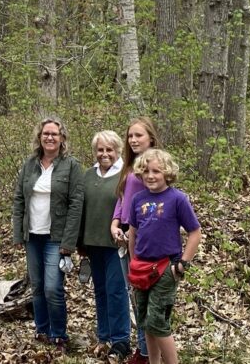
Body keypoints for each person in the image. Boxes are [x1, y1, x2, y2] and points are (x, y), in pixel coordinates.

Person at [12, 116, 85, 350]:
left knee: (53, 287)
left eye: (54, 134)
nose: (50, 137)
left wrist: (69, 242)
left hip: (57, 237)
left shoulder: (71, 165)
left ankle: (59, 334)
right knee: (37, 286)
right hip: (32, 235)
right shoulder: (30, 164)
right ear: (39, 137)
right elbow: (19, 199)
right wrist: (17, 234)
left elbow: (76, 204)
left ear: (62, 138)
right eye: (46, 134)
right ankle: (42, 330)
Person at [126, 149, 201, 364]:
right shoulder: (138, 199)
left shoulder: (177, 198)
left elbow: (195, 232)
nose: (151, 176)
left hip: (165, 268)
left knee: (158, 321)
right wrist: (132, 261)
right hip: (141, 268)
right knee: (146, 322)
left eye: (156, 171)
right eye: (147, 171)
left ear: (167, 173)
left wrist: (181, 265)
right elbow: (133, 232)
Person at [111, 117, 161, 364]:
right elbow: (122, 198)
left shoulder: (154, 167)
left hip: (145, 241)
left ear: (151, 137)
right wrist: (115, 223)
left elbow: (159, 203)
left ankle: (148, 352)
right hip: (124, 238)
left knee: (145, 298)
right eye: (130, 136)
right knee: (133, 295)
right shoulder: (129, 167)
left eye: (138, 135)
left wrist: (138, 230)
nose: (133, 140)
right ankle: (143, 350)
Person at [79, 130, 131, 359]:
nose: (104, 154)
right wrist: (79, 241)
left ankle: (121, 341)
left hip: (115, 245)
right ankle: (104, 337)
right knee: (100, 291)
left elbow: (129, 209)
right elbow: (80, 209)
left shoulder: (126, 175)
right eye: (100, 149)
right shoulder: (88, 175)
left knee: (116, 291)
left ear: (118, 150)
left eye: (109, 149)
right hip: (93, 243)